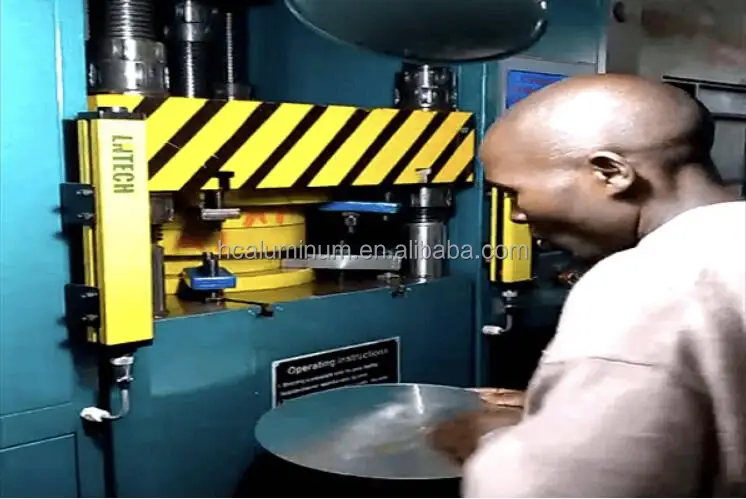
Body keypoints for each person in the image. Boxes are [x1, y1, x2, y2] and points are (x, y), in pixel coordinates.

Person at [429, 74, 746, 496]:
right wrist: (574, 407)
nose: (517, 214)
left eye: (513, 192)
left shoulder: (643, 284)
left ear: (611, 173)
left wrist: (488, 439)